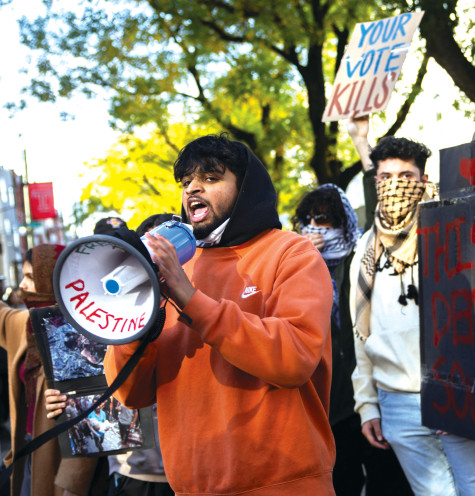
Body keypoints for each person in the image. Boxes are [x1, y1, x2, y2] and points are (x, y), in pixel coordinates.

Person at [100, 133, 335, 494]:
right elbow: (132, 393)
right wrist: (137, 330)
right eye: (186, 181)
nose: (193, 188)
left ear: (244, 190)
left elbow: (295, 358)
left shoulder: (292, 253)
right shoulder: (176, 269)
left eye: (210, 178)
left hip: (284, 484)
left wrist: (191, 300)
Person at [347, 121, 475, 496]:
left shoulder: (456, 232)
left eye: (406, 175)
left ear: (423, 180)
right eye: (385, 176)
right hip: (397, 402)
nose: (395, 184)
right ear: (375, 183)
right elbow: (361, 333)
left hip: (462, 393)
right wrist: (367, 404)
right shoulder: (365, 250)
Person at [46, 213, 177, 496]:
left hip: (191, 468)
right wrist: (65, 400)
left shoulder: (194, 309)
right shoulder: (101, 314)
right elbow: (94, 383)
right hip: (133, 471)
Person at [295, 184, 412, 496]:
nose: (314, 227)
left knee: (388, 482)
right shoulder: (299, 263)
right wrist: (306, 261)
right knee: (339, 481)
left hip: (374, 393)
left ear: (343, 221)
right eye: (307, 219)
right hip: (329, 403)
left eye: (323, 218)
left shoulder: (364, 258)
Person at [0, 245, 104, 496]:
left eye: (31, 277)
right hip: (31, 450)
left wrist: (72, 484)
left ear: (53, 278)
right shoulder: (29, 323)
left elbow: (90, 423)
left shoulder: (78, 333)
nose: (22, 286)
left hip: (60, 463)